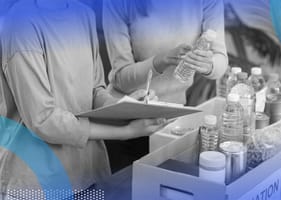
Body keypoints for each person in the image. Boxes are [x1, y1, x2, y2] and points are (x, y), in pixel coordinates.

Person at [0, 0, 167, 199]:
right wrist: (125, 132)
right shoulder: (20, 25)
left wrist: (128, 107)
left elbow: (95, 91)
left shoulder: (84, 14)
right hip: (37, 185)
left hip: (89, 173)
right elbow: (44, 120)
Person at [102, 0, 228, 170]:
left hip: (172, 120)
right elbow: (121, 79)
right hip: (127, 120)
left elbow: (220, 59)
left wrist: (208, 65)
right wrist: (160, 61)